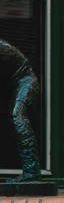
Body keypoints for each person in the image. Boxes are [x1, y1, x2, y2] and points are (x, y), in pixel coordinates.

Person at [0, 39, 41, 182]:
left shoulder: (2, 47)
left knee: (18, 117)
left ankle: (32, 171)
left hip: (26, 81)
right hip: (12, 85)